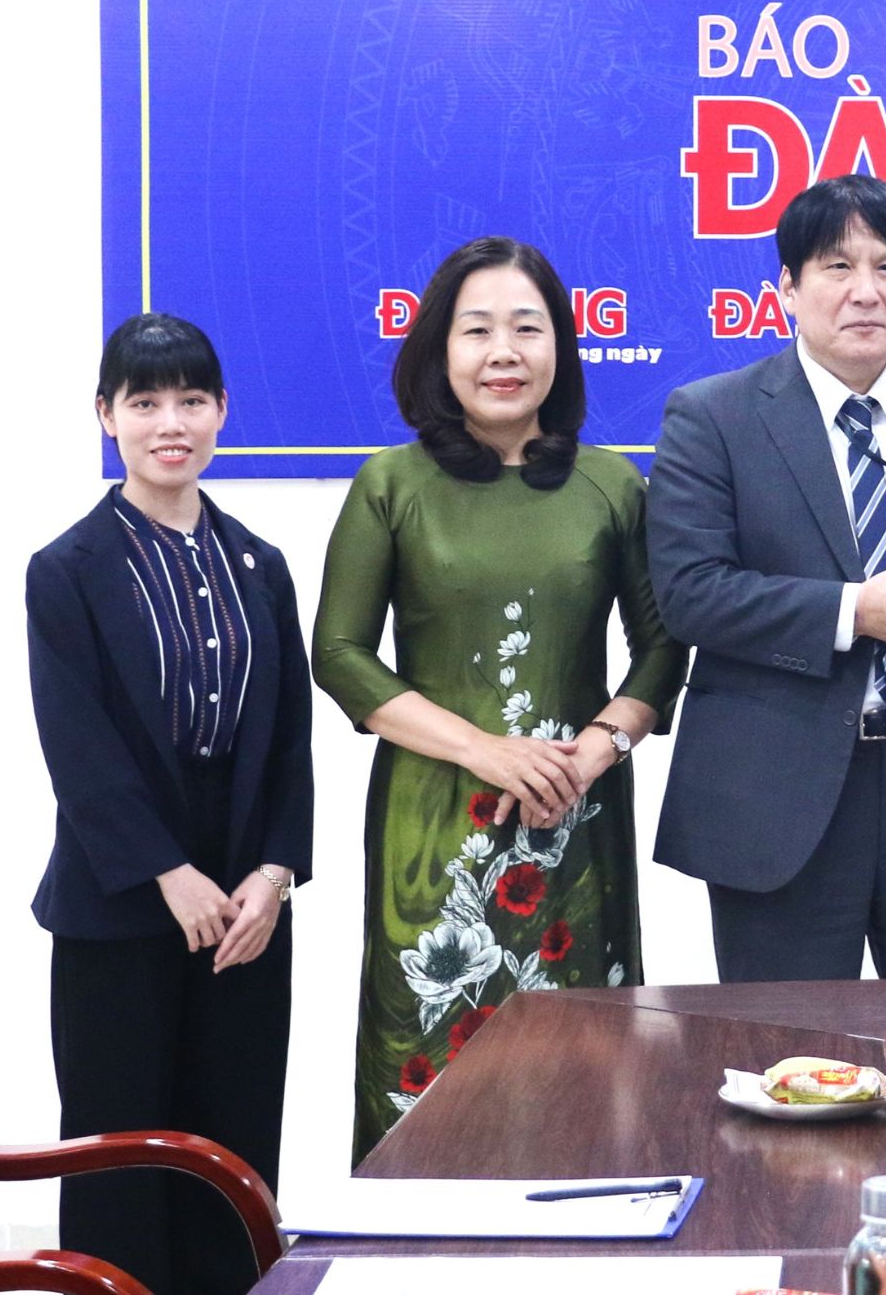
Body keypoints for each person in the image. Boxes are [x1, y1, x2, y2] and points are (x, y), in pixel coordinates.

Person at [312, 237, 685, 1162]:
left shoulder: (611, 486)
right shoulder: (390, 484)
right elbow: (340, 654)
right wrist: (482, 750)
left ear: (561, 345)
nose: (503, 352)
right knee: (428, 1057)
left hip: (576, 815)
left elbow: (664, 646)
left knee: (585, 1065)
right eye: (477, 330)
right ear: (440, 349)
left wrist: (593, 750)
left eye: (528, 327)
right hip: (434, 826)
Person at [647, 174, 886, 982]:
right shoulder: (712, 415)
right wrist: (852, 611)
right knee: (783, 1060)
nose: (866, 291)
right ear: (788, 286)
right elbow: (690, 592)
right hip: (777, 791)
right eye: (836, 267)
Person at [26, 313, 313, 1294]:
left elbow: (285, 738)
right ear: (107, 416)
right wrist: (165, 870)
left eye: (191, 398)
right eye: (144, 401)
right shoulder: (66, 570)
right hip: (120, 895)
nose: (170, 421)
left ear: (223, 411)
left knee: (230, 1140)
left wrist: (273, 873)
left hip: (244, 891)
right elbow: (79, 745)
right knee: (122, 1148)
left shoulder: (261, 565)